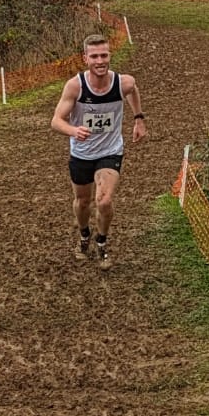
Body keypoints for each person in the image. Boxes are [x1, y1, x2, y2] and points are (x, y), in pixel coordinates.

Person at [51, 35, 146, 270]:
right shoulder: (76, 86)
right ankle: (84, 235)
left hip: (110, 151)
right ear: (85, 59)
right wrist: (74, 130)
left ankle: (102, 242)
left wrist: (138, 118)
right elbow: (56, 120)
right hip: (82, 153)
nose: (100, 61)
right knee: (82, 202)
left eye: (104, 55)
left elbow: (133, 90)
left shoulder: (123, 83)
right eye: (94, 56)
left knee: (104, 201)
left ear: (110, 55)